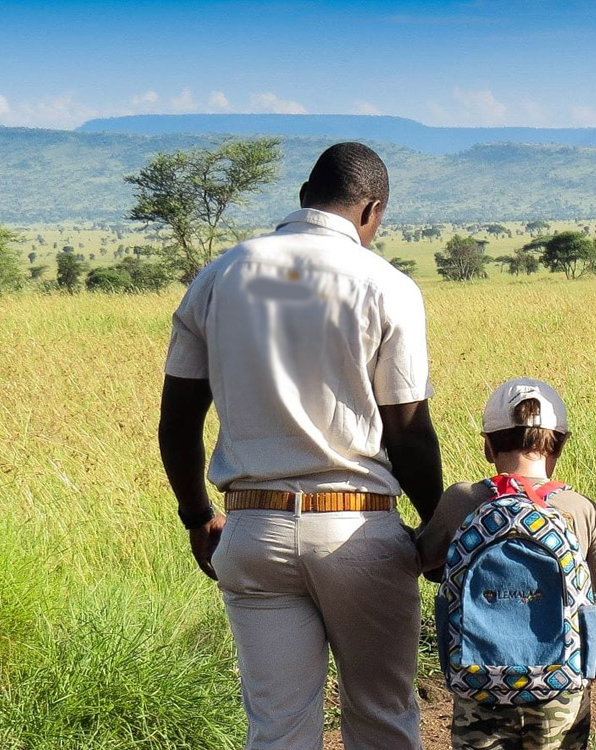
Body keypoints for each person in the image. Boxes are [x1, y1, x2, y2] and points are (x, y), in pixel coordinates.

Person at [157, 142, 443, 750]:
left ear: (303, 198)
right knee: (382, 716)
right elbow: (407, 428)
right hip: (358, 534)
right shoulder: (386, 285)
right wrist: (437, 523)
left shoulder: (221, 274)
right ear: (371, 210)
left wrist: (197, 516)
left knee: (278, 728)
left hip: (252, 531)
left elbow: (177, 423)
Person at [415, 378, 596, 750]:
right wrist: (586, 666)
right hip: (559, 693)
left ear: (488, 446)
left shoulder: (461, 502)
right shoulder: (581, 511)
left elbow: (420, 559)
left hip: (479, 686)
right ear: (560, 444)